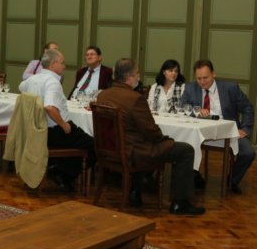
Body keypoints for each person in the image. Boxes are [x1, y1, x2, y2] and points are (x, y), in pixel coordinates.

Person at [98, 58, 205, 215]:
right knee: (186, 150)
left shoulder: (103, 95)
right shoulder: (135, 99)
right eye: (137, 73)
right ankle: (180, 203)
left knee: (150, 143)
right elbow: (151, 131)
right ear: (128, 77)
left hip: (112, 149)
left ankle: (135, 191)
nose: (139, 76)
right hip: (134, 151)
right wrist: (166, 140)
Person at [18, 48, 94, 192]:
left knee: (80, 140)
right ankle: (63, 173)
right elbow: (49, 107)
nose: (64, 66)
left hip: (36, 130)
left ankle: (58, 168)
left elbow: (21, 88)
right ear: (53, 64)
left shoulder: (31, 79)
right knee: (94, 145)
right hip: (54, 131)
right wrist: (64, 125)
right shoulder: (52, 82)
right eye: (62, 63)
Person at [181, 59, 255, 194]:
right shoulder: (190, 88)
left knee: (248, 153)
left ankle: (231, 181)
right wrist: (196, 112)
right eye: (199, 78)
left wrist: (245, 129)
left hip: (228, 132)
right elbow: (183, 107)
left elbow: (248, 108)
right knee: (183, 146)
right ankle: (193, 177)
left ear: (213, 74)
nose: (202, 82)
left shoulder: (230, 88)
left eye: (205, 78)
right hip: (201, 133)